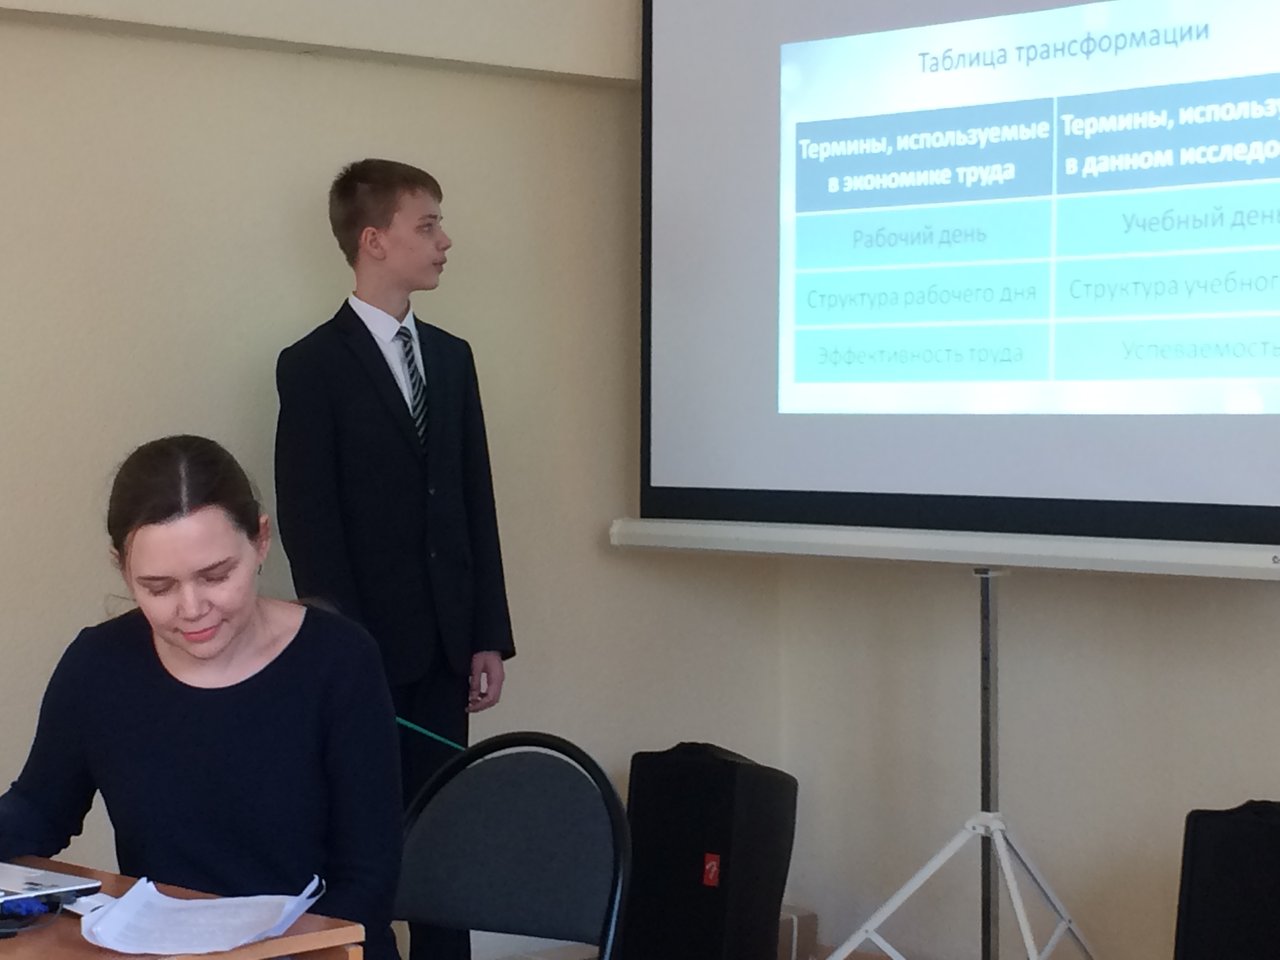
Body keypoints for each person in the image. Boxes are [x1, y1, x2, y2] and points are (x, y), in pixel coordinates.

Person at [0, 435, 401, 960]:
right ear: (122, 568)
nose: (191, 609)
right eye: (158, 587)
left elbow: (367, 881)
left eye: (215, 576)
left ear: (261, 541)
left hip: (321, 952)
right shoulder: (98, 666)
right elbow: (39, 810)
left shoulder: (339, 660)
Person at [273, 159, 515, 959]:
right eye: (428, 224)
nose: (445, 241)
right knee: (366, 839)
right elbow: (311, 522)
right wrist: (344, 650)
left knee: (447, 840)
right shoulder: (312, 365)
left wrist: (487, 634)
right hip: (365, 652)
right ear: (374, 240)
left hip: (445, 647)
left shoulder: (451, 357)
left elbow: (474, 500)